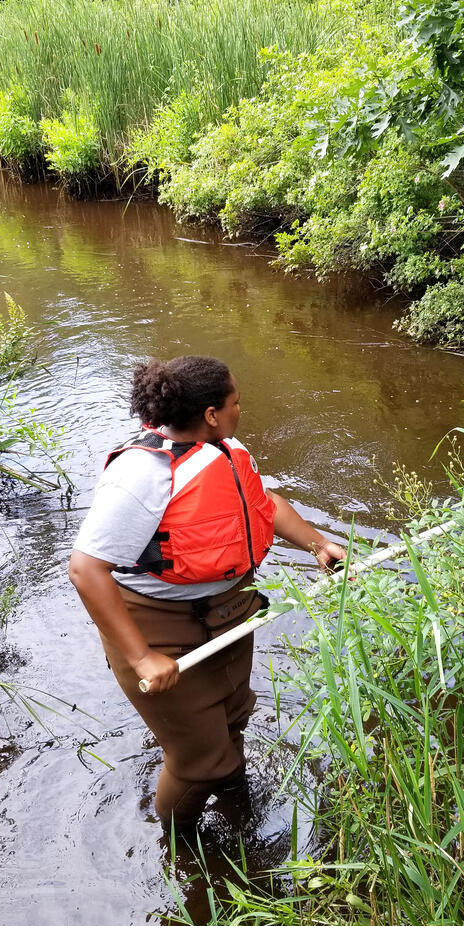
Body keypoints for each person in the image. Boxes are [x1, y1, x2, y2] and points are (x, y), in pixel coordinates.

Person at [68, 355, 345, 831]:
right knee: (197, 759)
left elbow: (263, 503)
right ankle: (180, 849)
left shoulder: (224, 448)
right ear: (212, 413)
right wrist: (142, 659)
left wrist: (318, 544)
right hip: (158, 630)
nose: (242, 409)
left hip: (230, 612)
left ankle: (234, 797)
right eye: (236, 402)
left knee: (234, 716)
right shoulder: (142, 473)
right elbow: (86, 570)